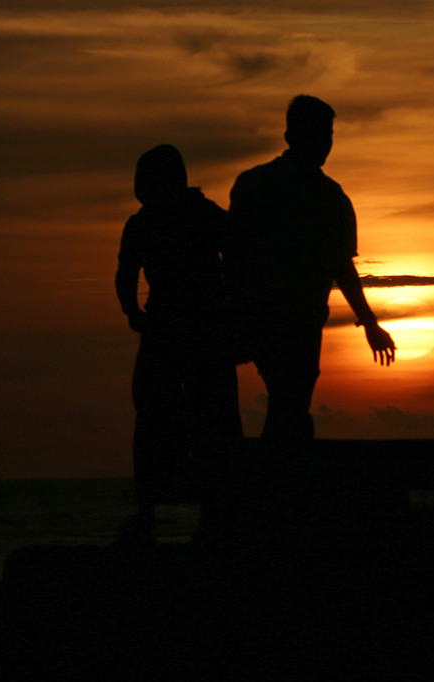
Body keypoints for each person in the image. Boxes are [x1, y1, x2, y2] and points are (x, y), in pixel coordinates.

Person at [227, 95, 395, 450]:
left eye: (329, 134)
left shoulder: (330, 198)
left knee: (290, 407)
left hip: (300, 321)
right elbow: (234, 253)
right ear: (291, 135)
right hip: (263, 316)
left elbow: (342, 267)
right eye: (317, 133)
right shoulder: (257, 186)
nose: (324, 143)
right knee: (289, 405)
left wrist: (370, 323)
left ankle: (273, 485)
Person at [115, 144, 243, 545]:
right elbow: (242, 254)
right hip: (196, 329)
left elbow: (124, 278)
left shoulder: (148, 222)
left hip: (177, 329)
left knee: (166, 419)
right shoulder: (199, 216)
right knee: (202, 418)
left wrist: (135, 315)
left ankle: (158, 512)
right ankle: (206, 513)